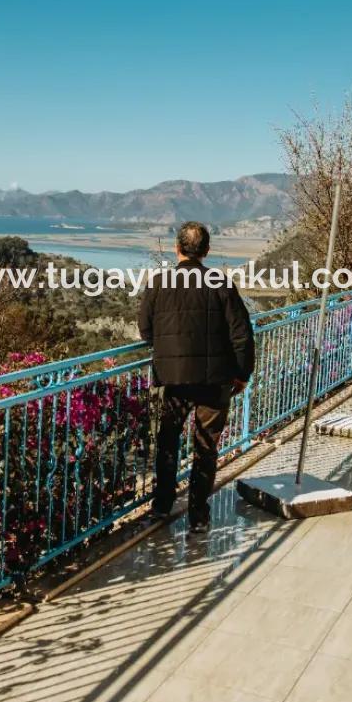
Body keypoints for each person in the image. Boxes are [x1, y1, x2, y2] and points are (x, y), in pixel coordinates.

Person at [137, 221, 255, 533]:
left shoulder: (159, 282)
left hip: (172, 379)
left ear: (177, 248)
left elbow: (146, 331)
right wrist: (242, 374)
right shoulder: (221, 283)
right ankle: (198, 517)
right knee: (206, 448)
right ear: (206, 251)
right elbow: (241, 334)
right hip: (215, 381)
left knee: (168, 443)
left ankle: (161, 506)